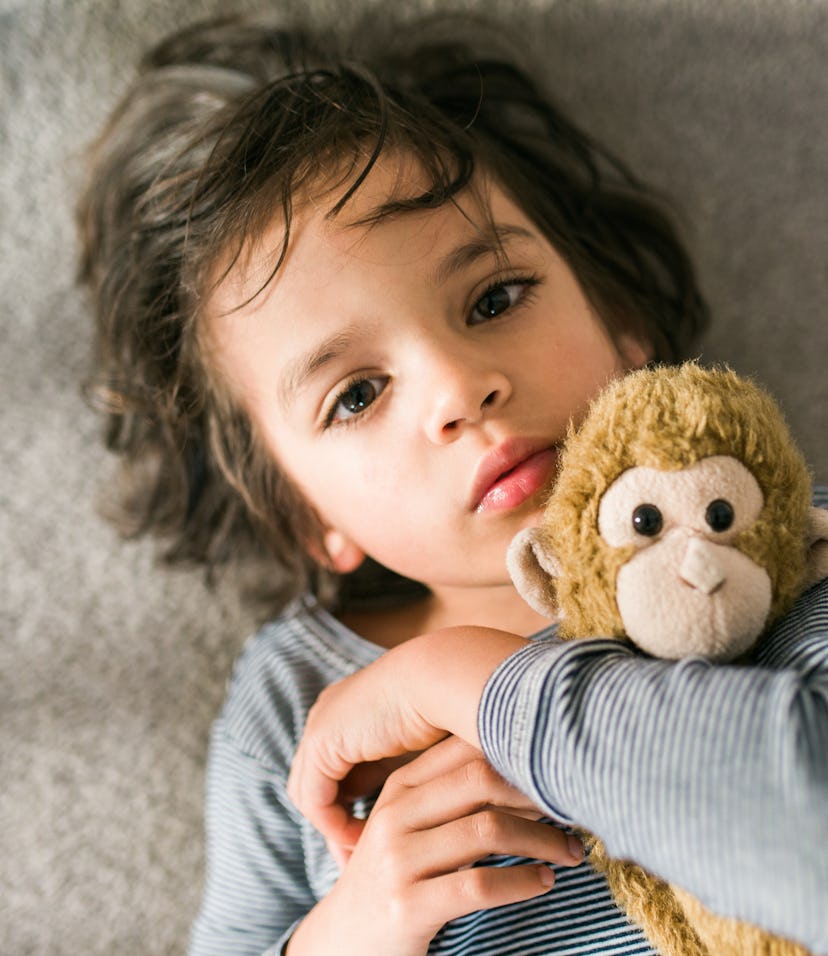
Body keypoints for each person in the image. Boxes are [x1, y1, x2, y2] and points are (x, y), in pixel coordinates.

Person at [76, 8, 827, 956]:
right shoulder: (296, 704)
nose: (459, 388)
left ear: (622, 319)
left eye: (495, 298)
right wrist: (346, 932)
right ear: (306, 519)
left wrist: (478, 686)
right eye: (356, 396)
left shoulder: (777, 543)